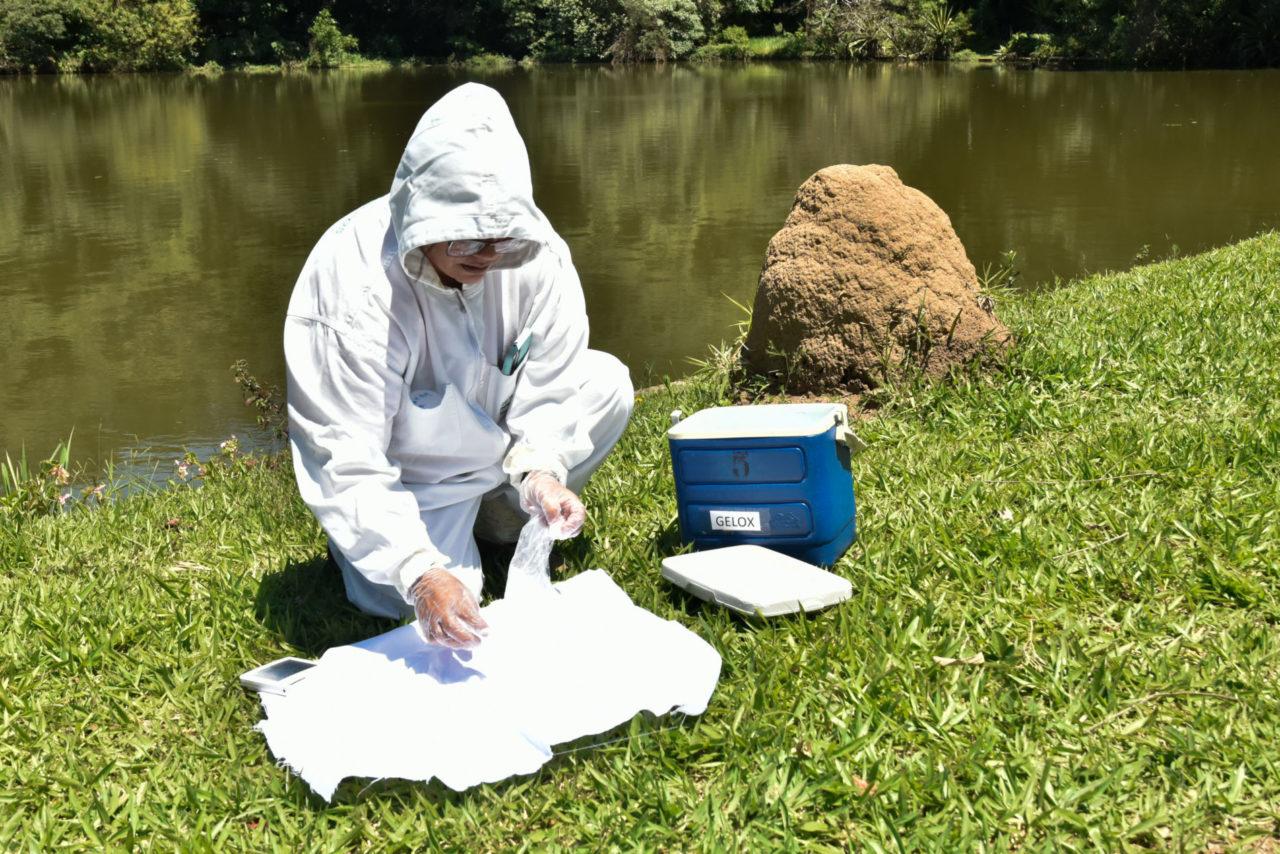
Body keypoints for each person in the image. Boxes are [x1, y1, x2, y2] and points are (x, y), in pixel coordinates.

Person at [283, 83, 634, 651]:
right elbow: (344, 452)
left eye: (502, 233)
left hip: (498, 461)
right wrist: (419, 570)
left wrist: (543, 470)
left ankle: (504, 520)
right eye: (468, 233)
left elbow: (553, 383)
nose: (488, 251)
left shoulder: (539, 256)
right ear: (422, 211)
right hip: (414, 482)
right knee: (413, 605)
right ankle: (395, 546)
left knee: (606, 382)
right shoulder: (353, 284)